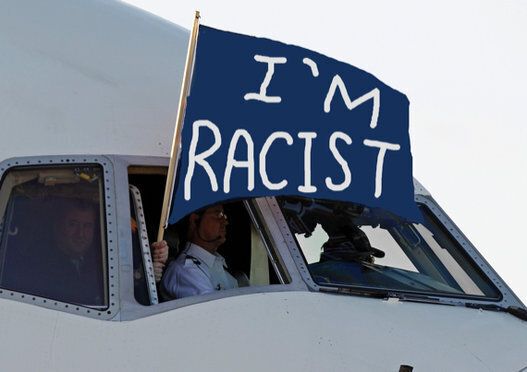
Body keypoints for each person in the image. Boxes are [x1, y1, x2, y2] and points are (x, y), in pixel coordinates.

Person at [160, 204, 238, 299]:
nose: (225, 222)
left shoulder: (217, 262)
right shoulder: (185, 271)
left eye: (224, 215)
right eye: (218, 215)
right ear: (194, 220)